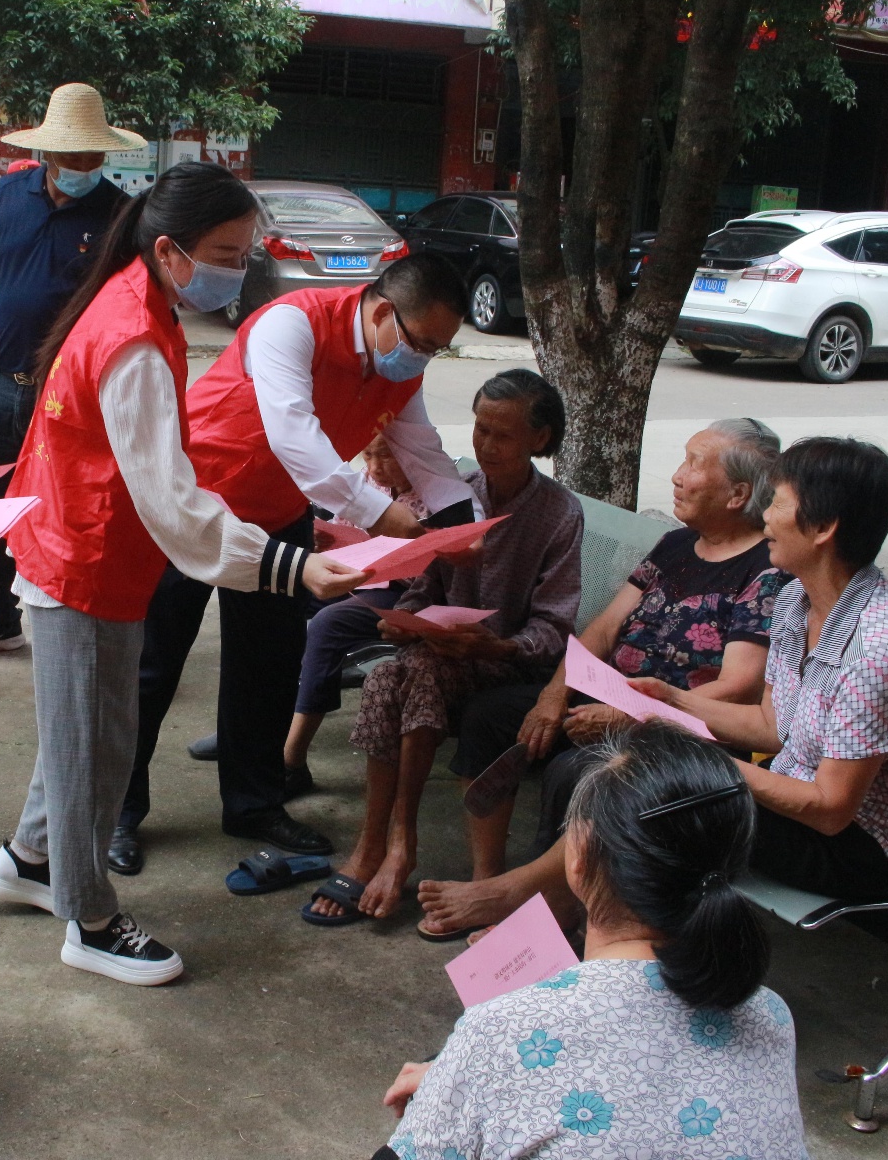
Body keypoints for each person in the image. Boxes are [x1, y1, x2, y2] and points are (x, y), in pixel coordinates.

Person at [0, 162, 366, 986]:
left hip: (83, 545)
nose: (240, 267)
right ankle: (88, 918)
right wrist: (293, 567)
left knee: (82, 734)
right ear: (169, 249)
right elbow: (176, 506)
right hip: (82, 556)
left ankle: (27, 857)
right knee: (96, 752)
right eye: (226, 251)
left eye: (248, 250)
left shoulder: (131, 301)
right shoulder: (134, 340)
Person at [110, 252, 477, 875]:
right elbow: (292, 433)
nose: (423, 359)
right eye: (422, 343)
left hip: (280, 513)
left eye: (438, 349)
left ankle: (254, 804)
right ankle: (117, 809)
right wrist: (376, 512)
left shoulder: (400, 369)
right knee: (151, 664)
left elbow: (425, 452)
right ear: (384, 312)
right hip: (198, 504)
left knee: (267, 666)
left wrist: (463, 523)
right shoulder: (293, 323)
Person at [417, 419, 787, 939]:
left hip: (678, 730)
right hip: (610, 699)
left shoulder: (765, 572)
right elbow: (604, 628)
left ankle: (555, 911)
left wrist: (634, 714)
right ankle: (491, 881)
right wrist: (552, 695)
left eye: (694, 465)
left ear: (738, 494)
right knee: (492, 715)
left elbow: (738, 687)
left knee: (576, 768)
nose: (677, 476)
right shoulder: (677, 545)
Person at [377, 722, 807, 1160]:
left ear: (577, 854)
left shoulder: (497, 1031)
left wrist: (457, 1082)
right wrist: (461, 1082)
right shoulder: (770, 1014)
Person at [305, 370, 582, 926]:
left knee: (416, 675)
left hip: (510, 668)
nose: (485, 446)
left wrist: (497, 645)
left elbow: (554, 628)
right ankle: (379, 847)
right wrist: (403, 620)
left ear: (540, 440)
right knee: (393, 674)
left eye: (502, 435)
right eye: (479, 430)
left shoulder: (558, 513)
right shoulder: (459, 496)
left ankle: (392, 848)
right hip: (441, 657)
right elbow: (424, 584)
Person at [633, 436, 888, 901]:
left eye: (778, 503)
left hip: (859, 845)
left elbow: (831, 810)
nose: (765, 516)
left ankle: (643, 953)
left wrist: (707, 765)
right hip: (796, 799)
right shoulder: (795, 601)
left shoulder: (880, 649)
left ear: (824, 526)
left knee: (653, 801)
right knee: (629, 779)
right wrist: (671, 703)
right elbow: (774, 726)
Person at [0, 83, 137, 654]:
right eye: (74, 154)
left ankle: (65, 614)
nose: (84, 166)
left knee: (60, 507)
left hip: (69, 392)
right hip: (4, 381)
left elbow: (129, 301)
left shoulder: (119, 215)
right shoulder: (5, 196)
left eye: (94, 155)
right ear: (51, 152)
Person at [283, 431, 433, 800]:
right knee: (274, 600)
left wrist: (385, 556)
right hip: (353, 576)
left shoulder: (435, 495)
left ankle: (291, 760)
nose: (375, 469)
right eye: (368, 456)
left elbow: (434, 573)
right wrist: (321, 543)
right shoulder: (365, 482)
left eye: (385, 457)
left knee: (326, 626)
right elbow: (341, 530)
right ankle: (250, 727)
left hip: (400, 592)